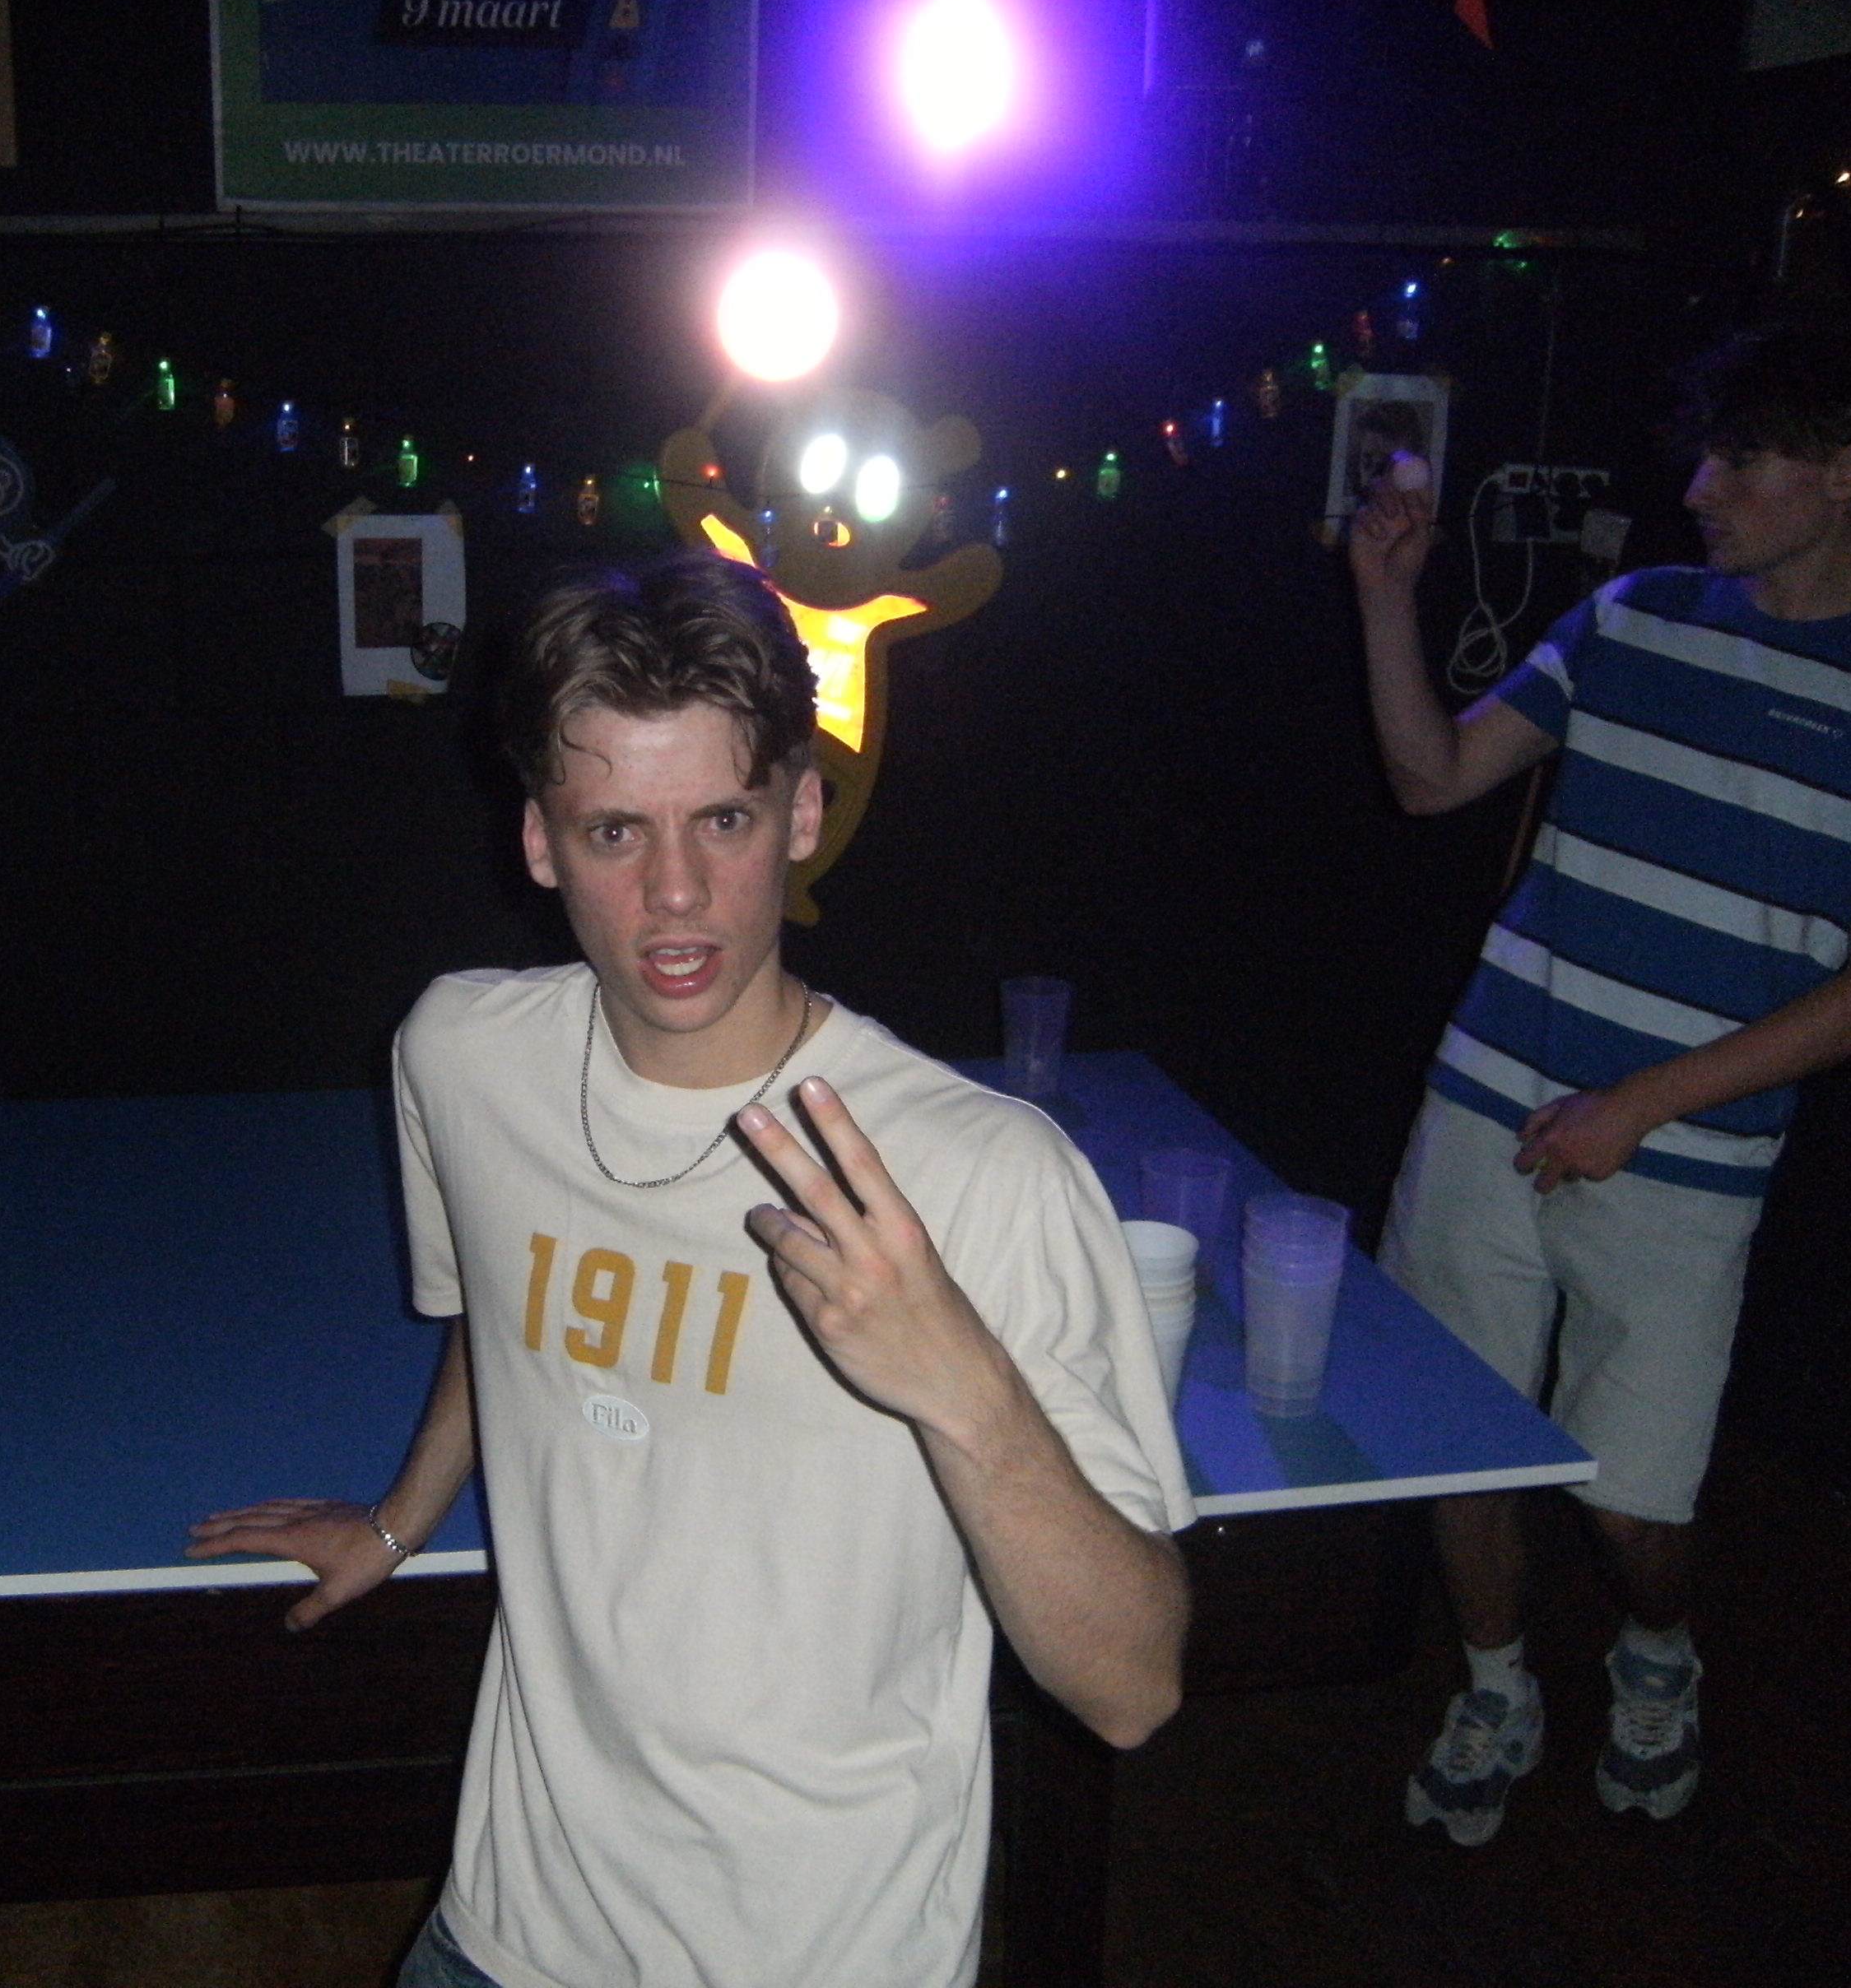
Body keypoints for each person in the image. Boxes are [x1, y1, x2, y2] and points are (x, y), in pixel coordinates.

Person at [188, 551, 1193, 1988]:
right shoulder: (465, 1058)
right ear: (539, 842)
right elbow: (502, 1301)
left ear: (802, 813)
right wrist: (402, 1520)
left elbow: (1132, 1688)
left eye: (724, 818)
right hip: (510, 1931)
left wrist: (961, 1385)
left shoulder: (981, 1174)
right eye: (615, 831)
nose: (675, 894)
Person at [1349, 329, 1851, 1847]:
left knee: (1631, 1501)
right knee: (1461, 1436)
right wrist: (1387, 594)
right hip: (1486, 1099)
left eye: (1744, 460)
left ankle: (1658, 1651)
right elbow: (1432, 777)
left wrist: (1641, 1105)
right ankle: (1497, 1685)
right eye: (1705, 455)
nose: (1702, 487)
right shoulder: (1631, 613)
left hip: (1689, 1160)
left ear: (1848, 474)